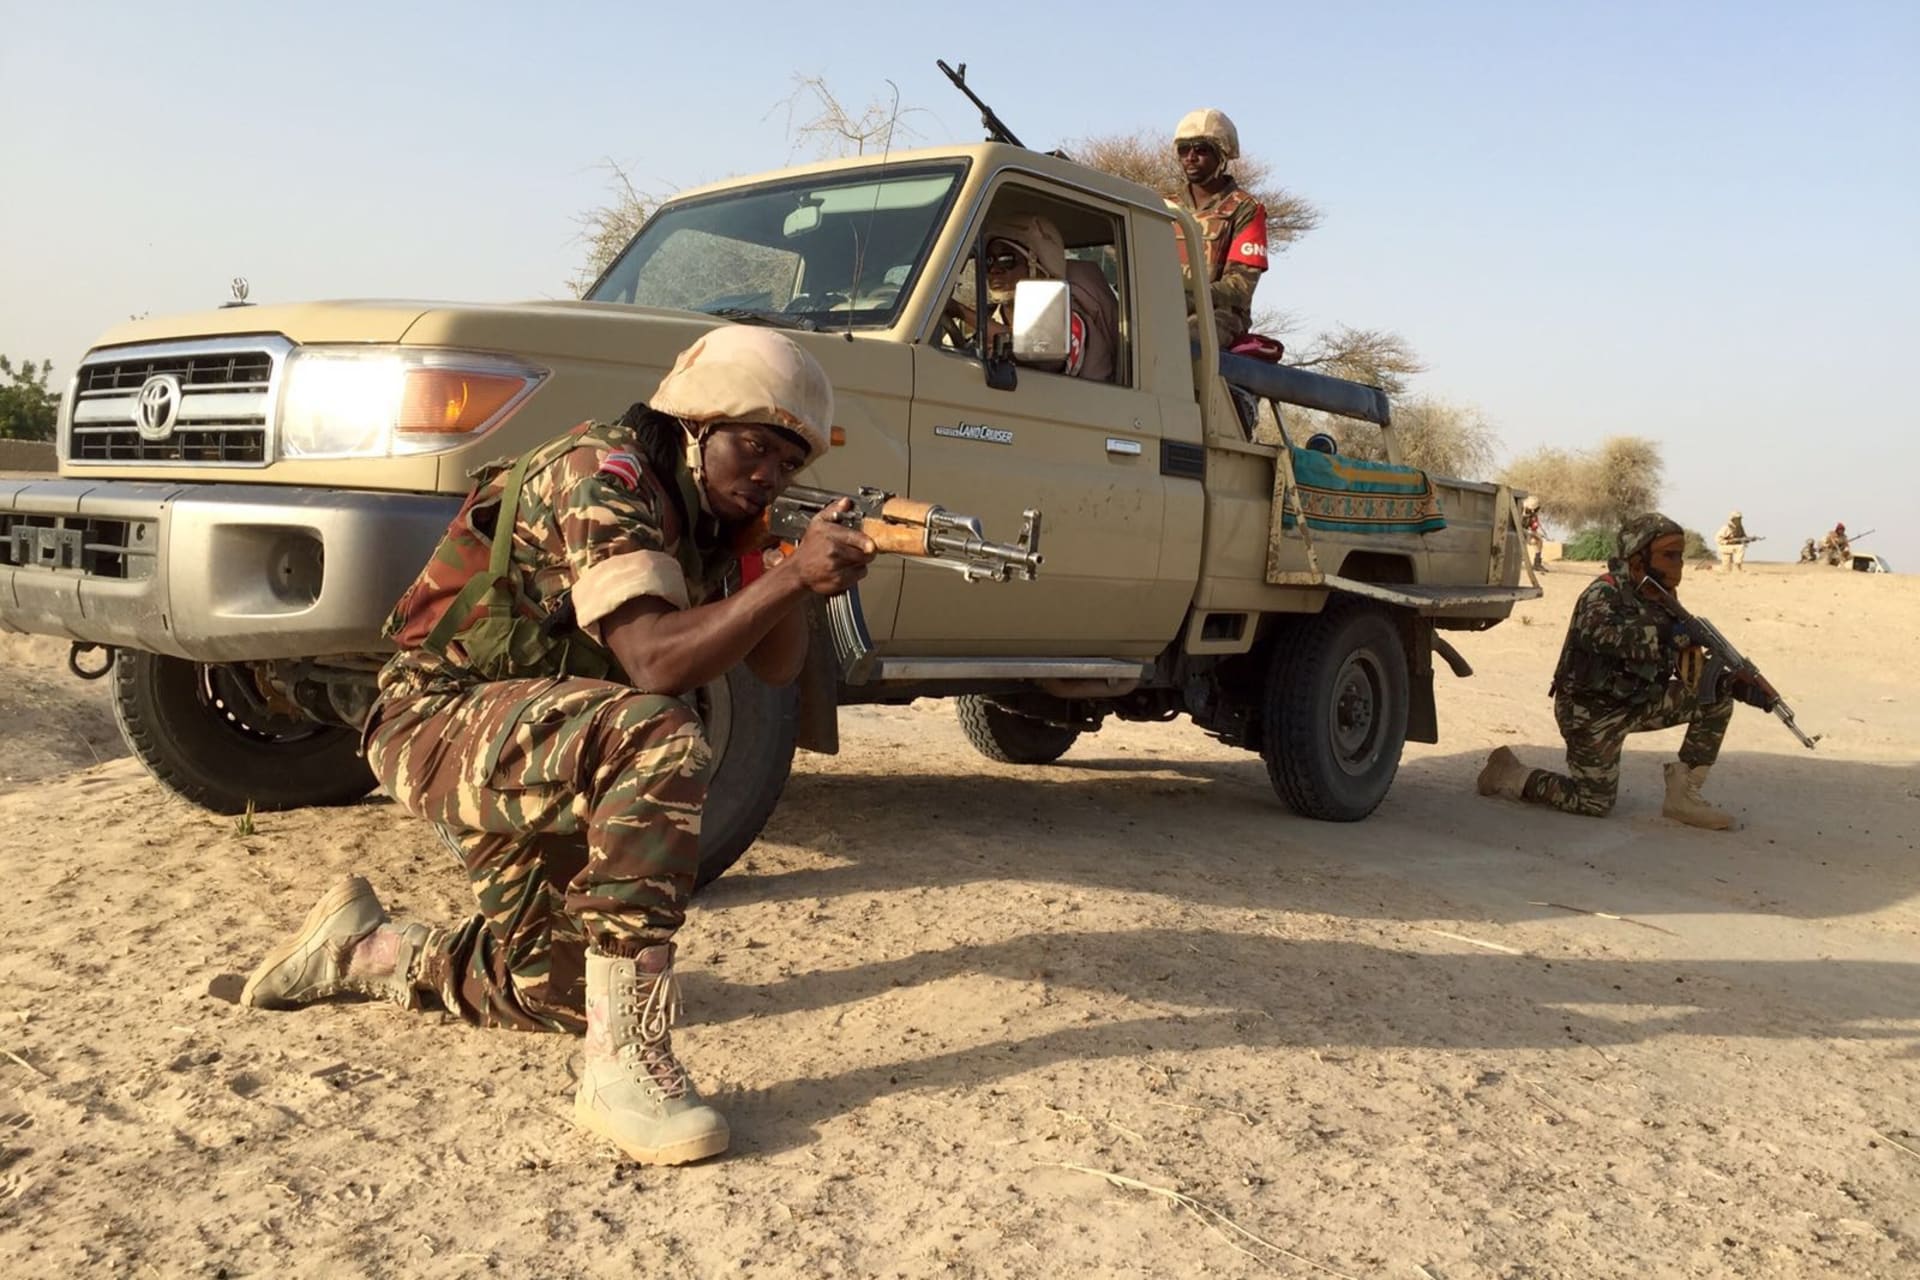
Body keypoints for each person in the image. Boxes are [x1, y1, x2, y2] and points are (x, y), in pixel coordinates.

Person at [239, 326, 877, 1166]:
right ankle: (621, 1072)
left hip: (536, 736)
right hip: (437, 719)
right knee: (658, 734)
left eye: (787, 465)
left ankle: (366, 950)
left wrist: (780, 563)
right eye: (753, 449)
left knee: (563, 990)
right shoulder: (603, 475)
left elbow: (775, 668)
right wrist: (793, 575)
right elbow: (654, 662)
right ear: (694, 424)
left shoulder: (712, 516)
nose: (767, 475)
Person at [1475, 512, 1766, 831]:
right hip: (1590, 712)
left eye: (1680, 556)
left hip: (1639, 700)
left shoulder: (1664, 599)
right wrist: (1667, 633)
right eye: (1668, 555)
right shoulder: (1605, 592)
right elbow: (1599, 636)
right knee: (1593, 803)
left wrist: (1731, 684)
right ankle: (1510, 775)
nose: (1678, 564)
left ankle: (1684, 795)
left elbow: (1687, 673)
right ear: (1638, 559)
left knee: (1715, 699)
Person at [943, 212, 1118, 382]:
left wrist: (961, 311)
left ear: (1034, 264)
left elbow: (1042, 357)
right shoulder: (987, 317)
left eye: (1006, 259)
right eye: (988, 261)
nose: (994, 270)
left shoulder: (1067, 318)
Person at [1172, 108, 1269, 350]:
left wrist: (1189, 299)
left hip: (1218, 315)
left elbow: (1240, 285)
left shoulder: (1246, 209)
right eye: (1184, 149)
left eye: (1201, 149)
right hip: (1163, 305)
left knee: (1186, 344)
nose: (1191, 157)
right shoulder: (1165, 205)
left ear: (1222, 156)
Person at [1522, 495, 1549, 572]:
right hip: (1514, 532)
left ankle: (1537, 564)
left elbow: (1534, 528)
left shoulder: (1533, 515)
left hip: (1525, 534)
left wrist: (1535, 534)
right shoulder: (1518, 510)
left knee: (1538, 541)